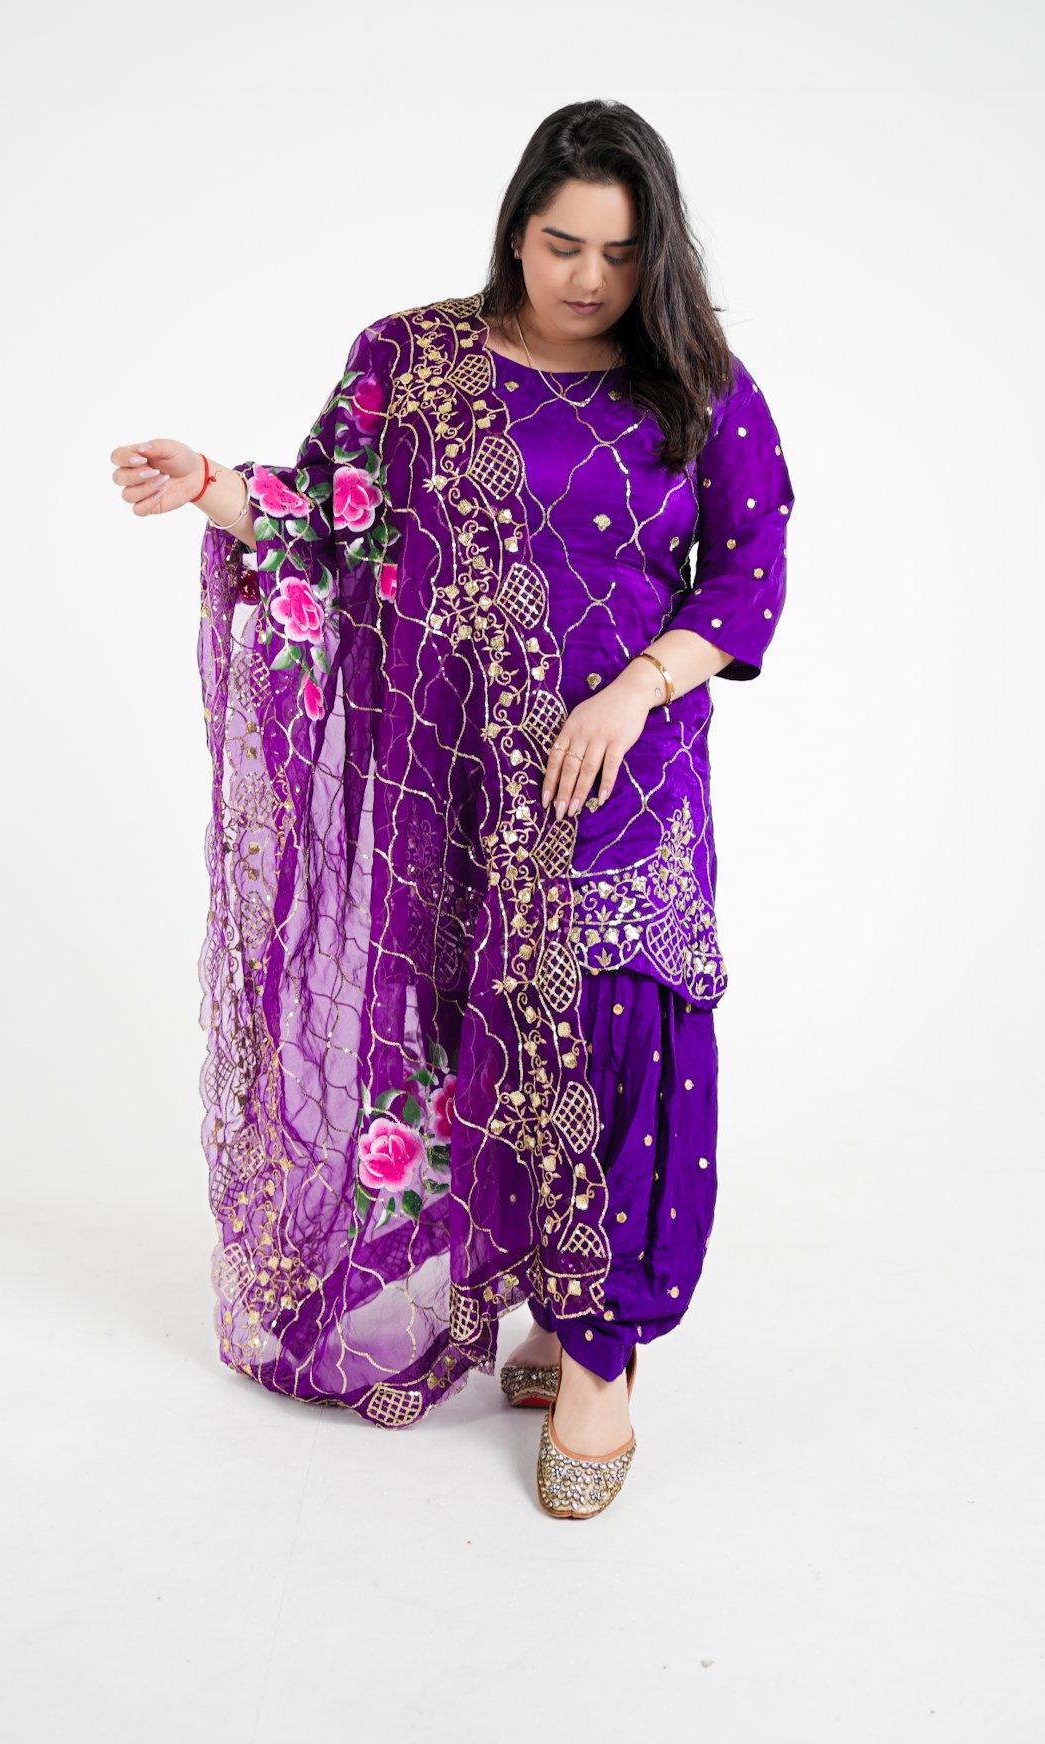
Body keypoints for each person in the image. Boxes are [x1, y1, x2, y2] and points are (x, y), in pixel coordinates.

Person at [109, 98, 796, 1519]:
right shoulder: (414, 360)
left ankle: (599, 1360)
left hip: (625, 769)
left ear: (654, 249)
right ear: (516, 228)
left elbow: (748, 572)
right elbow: (331, 516)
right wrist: (215, 491)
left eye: (618, 251)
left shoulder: (697, 377)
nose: (589, 280)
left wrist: (632, 694)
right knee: (478, 1033)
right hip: (461, 776)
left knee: (620, 1030)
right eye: (561, 245)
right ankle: (546, 1301)